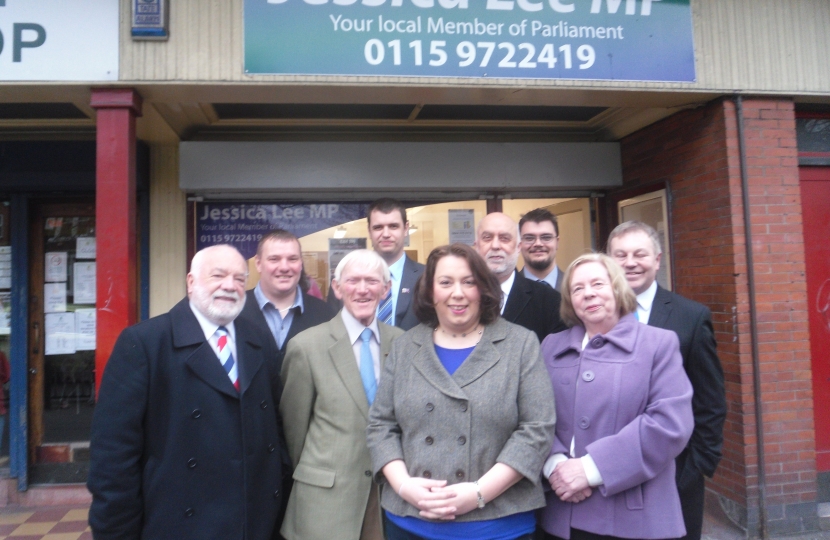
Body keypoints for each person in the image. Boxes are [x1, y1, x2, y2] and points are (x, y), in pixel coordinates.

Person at [88, 244, 286, 540]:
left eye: (239, 279)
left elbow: (275, 431)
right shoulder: (144, 343)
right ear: (191, 282)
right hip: (178, 524)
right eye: (218, 276)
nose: (229, 286)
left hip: (254, 523)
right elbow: (113, 455)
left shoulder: (257, 338)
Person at [367, 243, 555, 540]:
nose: (458, 293)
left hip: (497, 524)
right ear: (430, 292)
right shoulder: (404, 347)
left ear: (484, 289)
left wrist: (479, 493)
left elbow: (537, 429)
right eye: (445, 282)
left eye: (469, 282)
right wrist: (405, 487)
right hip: (410, 522)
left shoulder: (520, 344)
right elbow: (381, 425)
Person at [539, 253, 693, 540]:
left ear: (617, 288)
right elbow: (533, 415)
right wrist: (555, 466)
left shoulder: (658, 343)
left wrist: (589, 469)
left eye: (598, 283)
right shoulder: (551, 346)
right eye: (577, 288)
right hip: (560, 514)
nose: (588, 294)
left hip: (633, 517)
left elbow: (670, 424)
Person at [607, 221, 726, 540]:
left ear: (657, 260)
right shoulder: (591, 317)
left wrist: (696, 467)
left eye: (639, 254)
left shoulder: (690, 317)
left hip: (674, 475)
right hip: (607, 474)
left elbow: (710, 401)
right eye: (620, 254)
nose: (630, 262)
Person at [280, 249, 404, 540]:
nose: (362, 289)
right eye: (353, 281)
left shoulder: (403, 343)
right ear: (336, 288)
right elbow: (293, 432)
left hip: (389, 499)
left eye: (372, 281)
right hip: (325, 503)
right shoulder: (306, 346)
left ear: (386, 289)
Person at [240, 229, 334, 374]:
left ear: (301, 264)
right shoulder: (236, 311)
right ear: (258, 264)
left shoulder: (325, 315)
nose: (284, 267)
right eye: (274, 259)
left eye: (292, 259)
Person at [328, 198, 424, 330]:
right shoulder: (344, 281)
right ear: (369, 231)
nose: (385, 234)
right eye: (378, 227)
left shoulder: (426, 278)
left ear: (405, 228)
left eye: (393, 226)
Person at [474, 212, 566, 343]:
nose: (495, 245)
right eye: (487, 238)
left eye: (504, 238)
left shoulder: (550, 301)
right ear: (476, 246)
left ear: (518, 247)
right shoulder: (460, 298)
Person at [519, 208, 563, 291]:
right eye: (529, 238)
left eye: (546, 237)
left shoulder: (574, 286)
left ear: (557, 242)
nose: (538, 244)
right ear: (519, 244)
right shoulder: (506, 290)